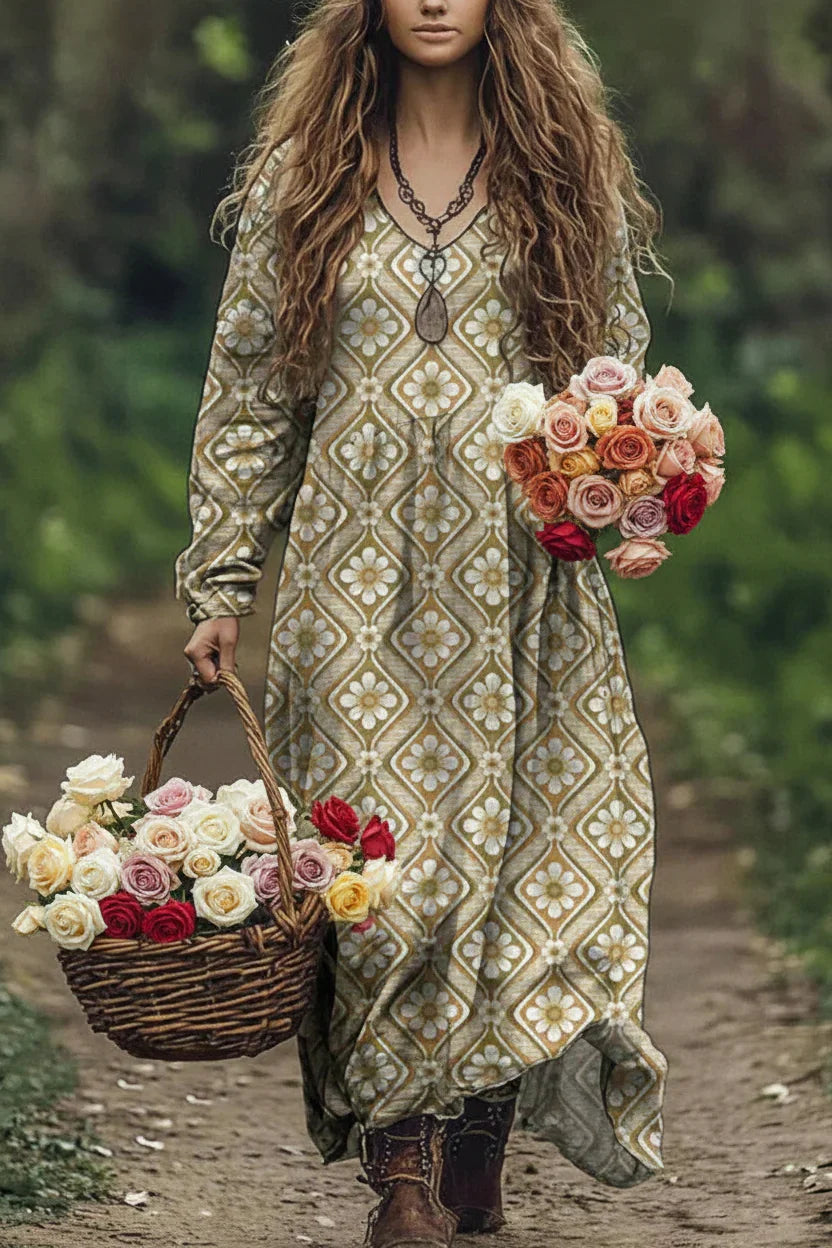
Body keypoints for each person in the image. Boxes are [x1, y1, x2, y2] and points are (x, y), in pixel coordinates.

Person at [174, 2, 672, 1244]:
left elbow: (613, 363)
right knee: (381, 873)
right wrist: (224, 575)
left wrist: (625, 485)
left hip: (518, 582)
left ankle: (477, 1137)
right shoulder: (307, 176)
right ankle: (399, 1167)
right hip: (351, 584)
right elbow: (248, 387)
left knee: (513, 865)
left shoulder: (562, 165)